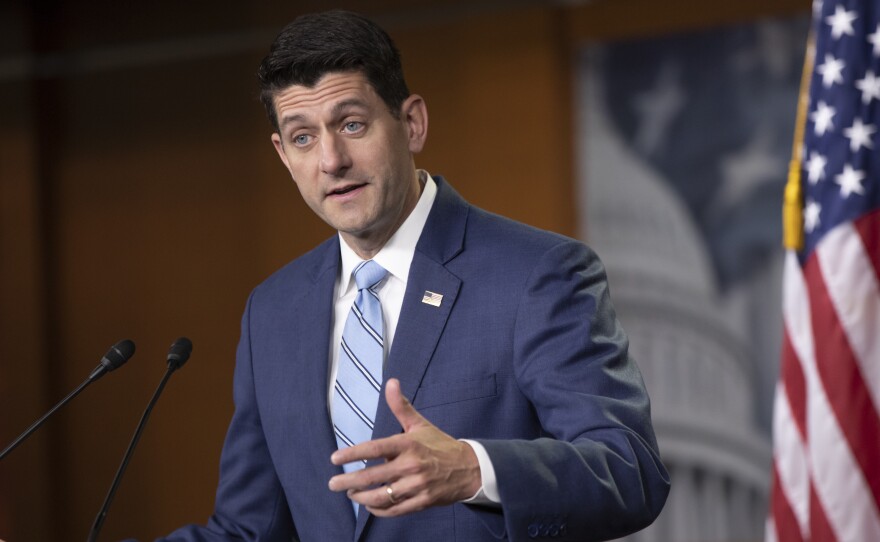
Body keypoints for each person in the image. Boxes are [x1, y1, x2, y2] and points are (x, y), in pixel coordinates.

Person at [157, 10, 669, 542]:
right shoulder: (272, 311)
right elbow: (247, 529)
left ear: (412, 124)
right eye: (303, 137)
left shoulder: (537, 273)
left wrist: (474, 469)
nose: (331, 160)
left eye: (351, 125)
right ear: (283, 155)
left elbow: (630, 469)